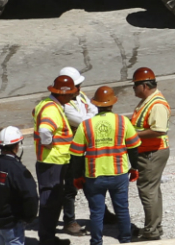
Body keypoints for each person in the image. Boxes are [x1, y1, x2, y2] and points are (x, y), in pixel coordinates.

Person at [71, 86, 138, 245]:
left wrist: (77, 176)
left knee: (96, 213)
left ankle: (96, 242)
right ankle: (126, 239)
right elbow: (134, 147)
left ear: (96, 104)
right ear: (113, 103)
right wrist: (134, 168)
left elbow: (77, 154)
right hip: (119, 173)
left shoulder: (86, 125)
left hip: (94, 176)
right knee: (122, 210)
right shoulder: (122, 121)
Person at [33, 73, 81, 245]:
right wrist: (48, 144)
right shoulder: (52, 109)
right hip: (52, 161)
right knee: (50, 203)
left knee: (52, 201)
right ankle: (47, 239)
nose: (73, 96)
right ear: (62, 93)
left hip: (54, 161)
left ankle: (48, 237)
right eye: (70, 93)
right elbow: (45, 131)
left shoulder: (50, 104)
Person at [128, 68, 170, 241]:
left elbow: (159, 130)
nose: (133, 89)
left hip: (152, 153)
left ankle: (151, 231)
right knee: (152, 190)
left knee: (148, 191)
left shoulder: (157, 104)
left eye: (135, 85)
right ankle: (155, 227)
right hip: (149, 152)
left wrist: (133, 135)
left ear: (144, 85)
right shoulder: (148, 101)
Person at [56, 68, 98, 235]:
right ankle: (69, 220)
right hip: (71, 151)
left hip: (84, 148)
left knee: (90, 182)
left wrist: (89, 114)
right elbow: (83, 121)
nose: (80, 88)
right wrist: (89, 114)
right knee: (70, 187)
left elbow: (93, 111)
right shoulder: (64, 104)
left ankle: (100, 212)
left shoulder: (80, 96)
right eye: (77, 85)